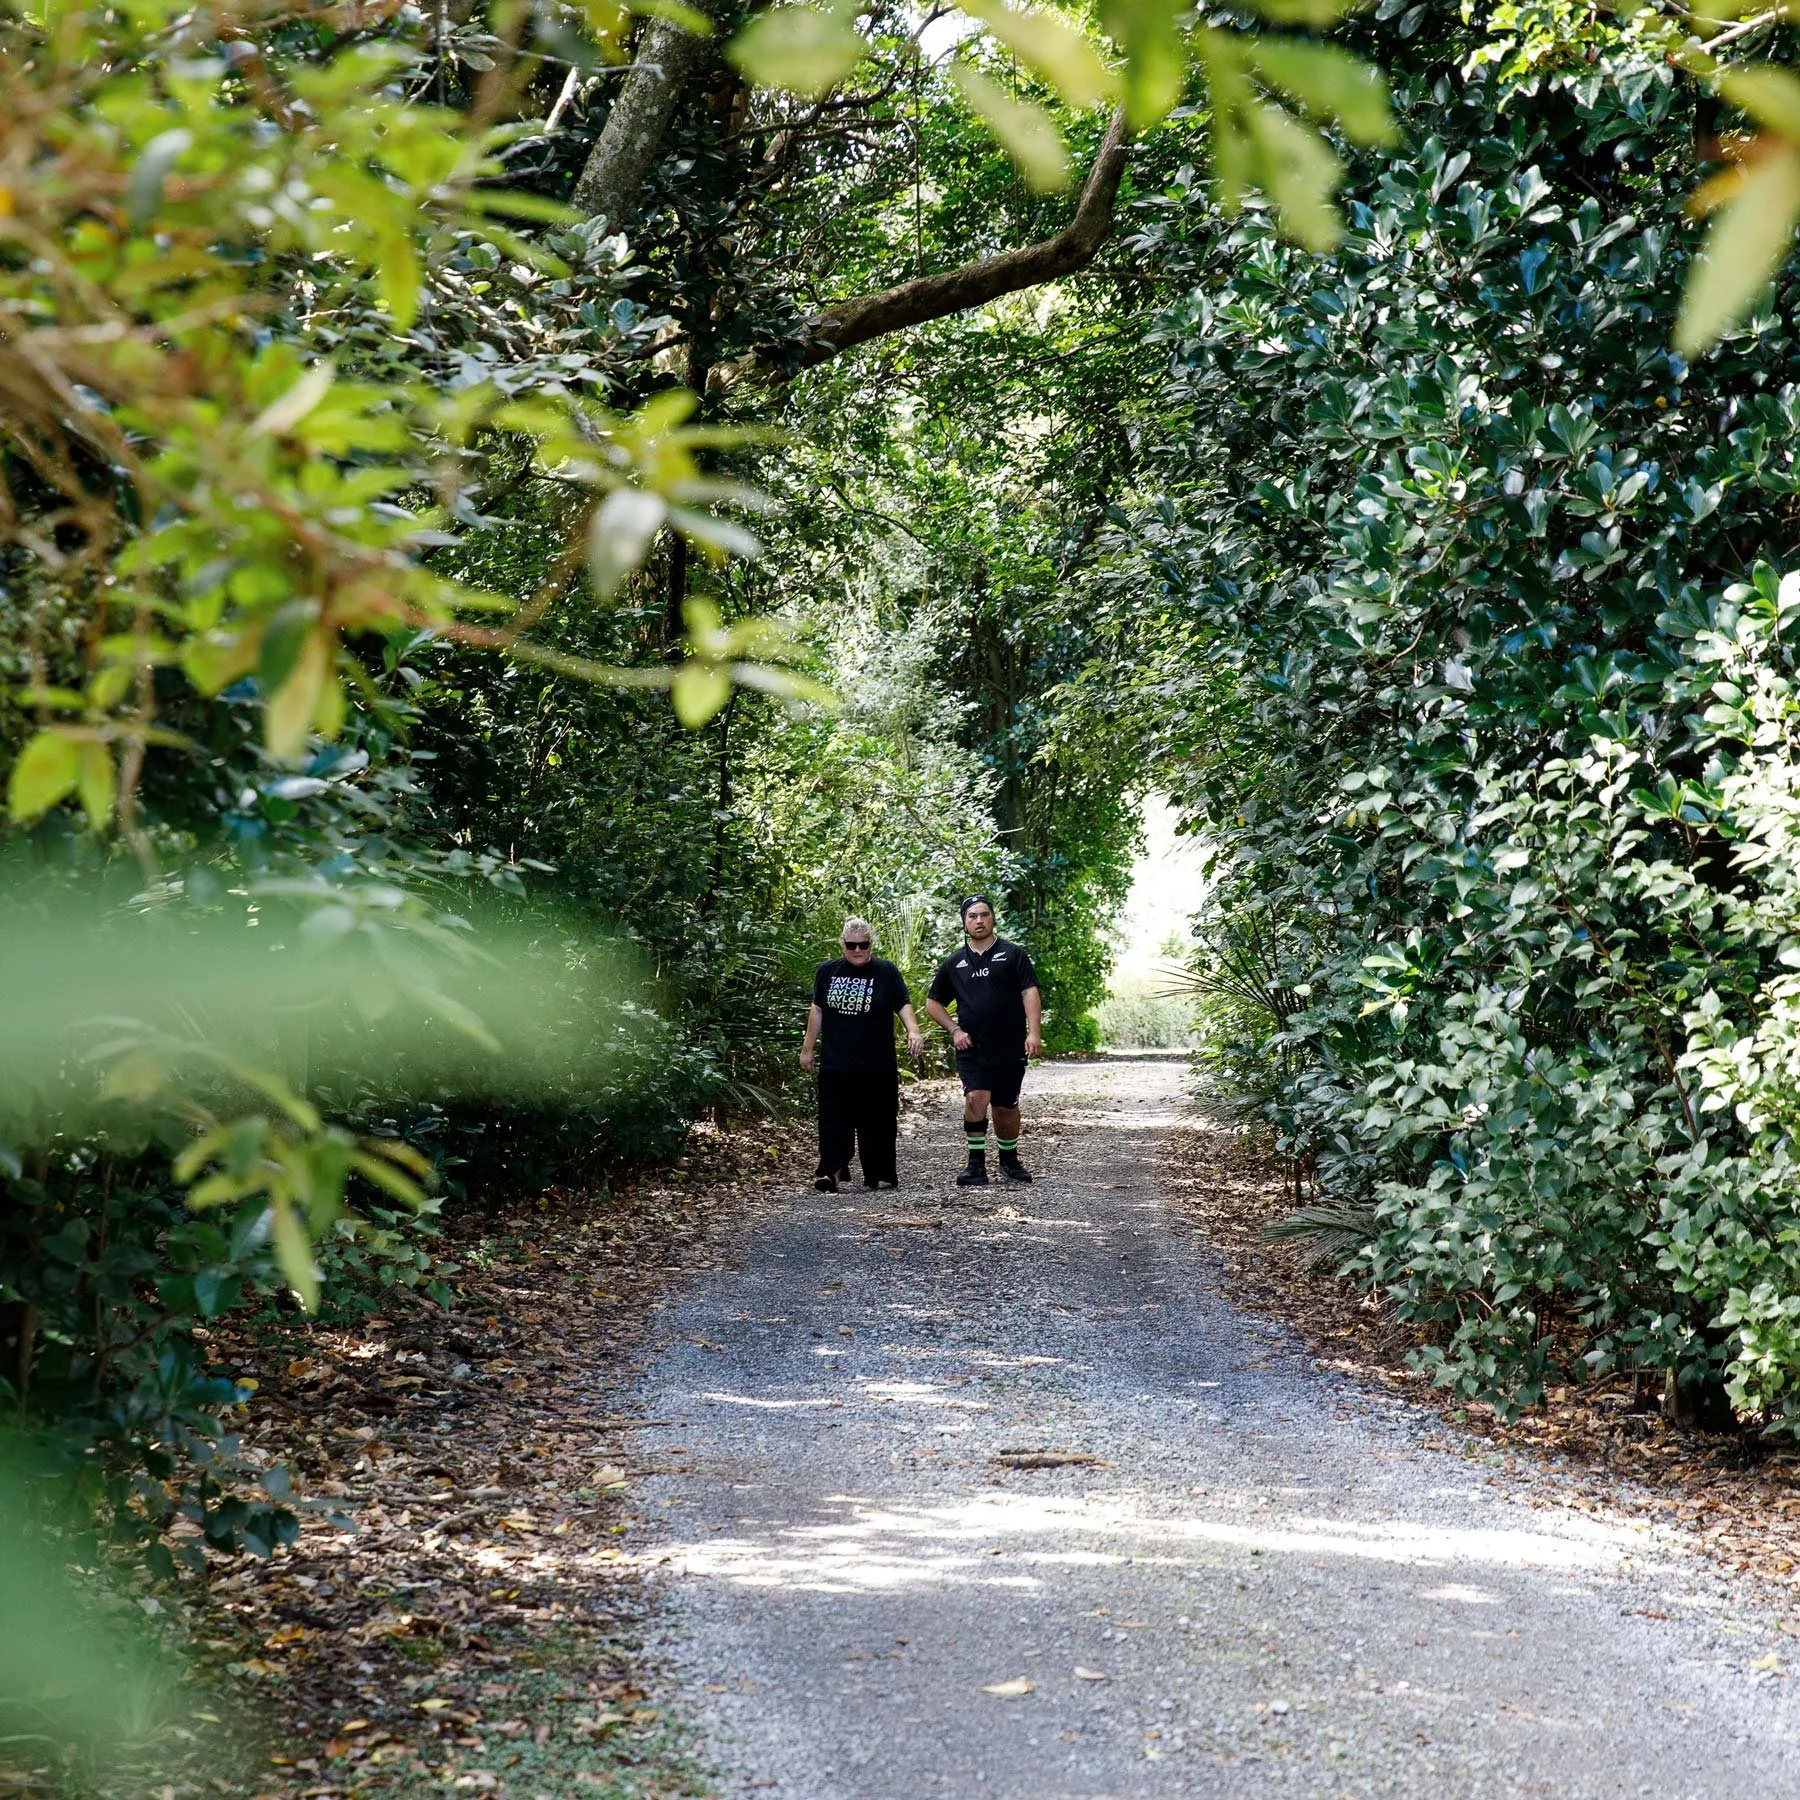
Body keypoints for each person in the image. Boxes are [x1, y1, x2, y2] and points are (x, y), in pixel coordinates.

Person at [924, 894, 1042, 1186]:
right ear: (964, 922)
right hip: (972, 1047)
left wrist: (1034, 1033)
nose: (979, 920)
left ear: (993, 919)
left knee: (1005, 1105)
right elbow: (933, 1003)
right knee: (976, 1097)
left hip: (1010, 1045)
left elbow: (1030, 993)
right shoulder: (955, 963)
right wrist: (954, 1030)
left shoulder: (1013, 954)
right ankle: (975, 1164)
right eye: (972, 916)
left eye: (984, 915)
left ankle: (1009, 1161)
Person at [800, 917, 924, 1192]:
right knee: (833, 1119)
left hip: (877, 1064)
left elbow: (902, 1003)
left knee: (878, 1119)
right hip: (836, 1062)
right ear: (842, 944)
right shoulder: (827, 972)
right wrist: (807, 1049)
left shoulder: (886, 971)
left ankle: (879, 1174)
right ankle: (830, 1172)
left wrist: (913, 1031)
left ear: (871, 945)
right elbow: (817, 1009)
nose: (858, 950)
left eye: (863, 944)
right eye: (852, 945)